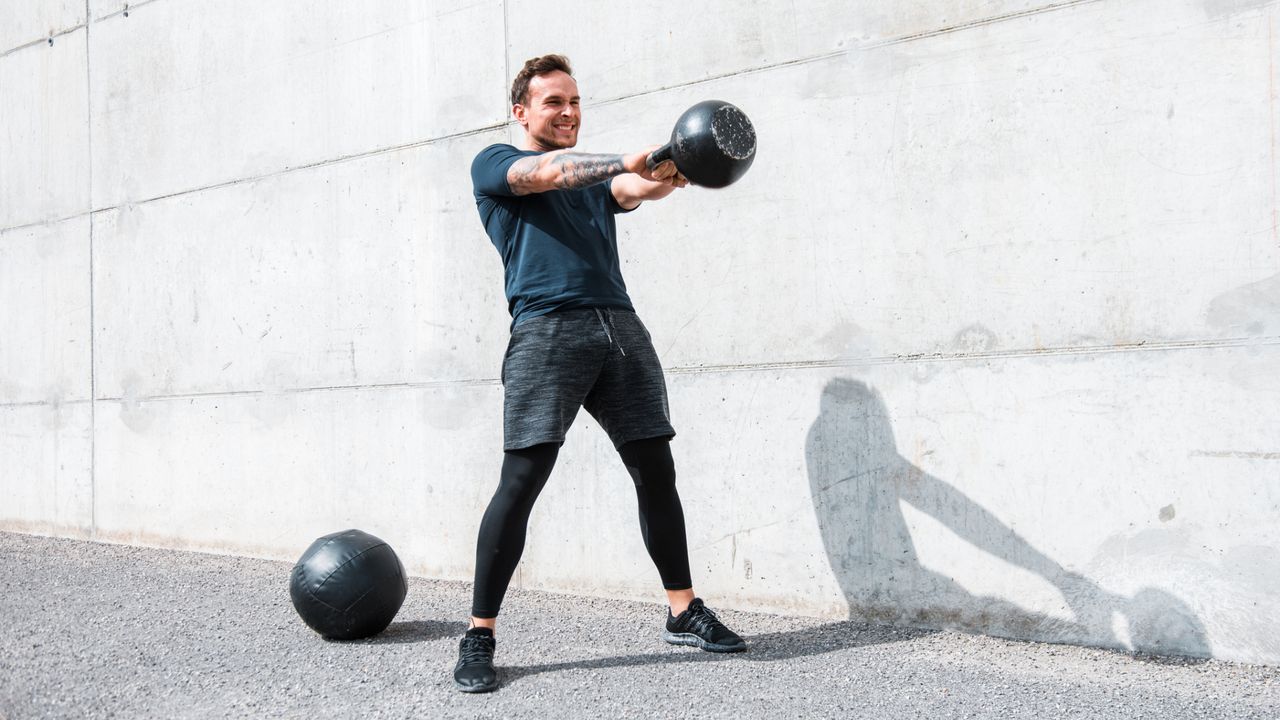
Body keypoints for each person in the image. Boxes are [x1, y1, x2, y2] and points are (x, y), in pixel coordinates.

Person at [455, 54, 747, 693]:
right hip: (546, 331)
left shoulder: (593, 183)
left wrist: (677, 165)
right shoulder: (496, 165)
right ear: (521, 110)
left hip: (620, 328)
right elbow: (547, 174)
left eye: (575, 102)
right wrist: (627, 160)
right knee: (522, 480)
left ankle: (682, 609)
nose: (568, 112)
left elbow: (636, 188)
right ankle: (480, 632)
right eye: (554, 101)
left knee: (655, 471)